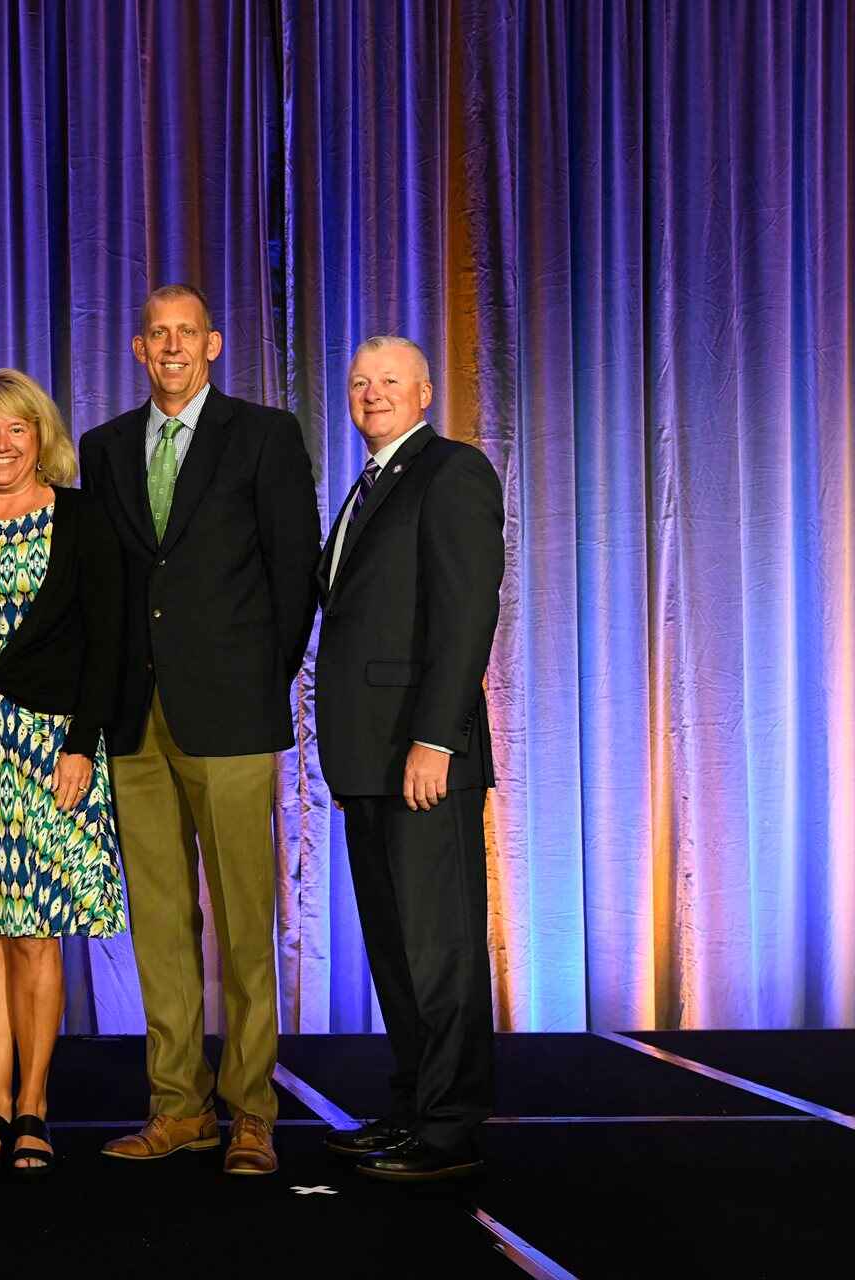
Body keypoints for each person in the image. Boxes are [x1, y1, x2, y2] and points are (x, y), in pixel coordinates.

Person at [78, 285, 320, 1174]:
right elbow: (107, 586)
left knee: (246, 921)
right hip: (135, 722)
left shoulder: (263, 436)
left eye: (188, 334)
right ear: (139, 350)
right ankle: (177, 1106)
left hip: (232, 718)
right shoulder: (104, 449)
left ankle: (251, 1111)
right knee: (160, 923)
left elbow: (295, 575)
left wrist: (263, 683)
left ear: (213, 345)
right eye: (158, 336)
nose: (173, 347)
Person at [0, 369, 128, 1178]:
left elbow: (107, 640)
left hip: (53, 753)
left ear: (42, 437)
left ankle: (37, 1107)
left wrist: (82, 743)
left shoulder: (79, 519)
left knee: (37, 938)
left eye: (17, 428)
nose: (2, 444)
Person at [313, 336, 504, 1182]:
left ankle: (450, 1125)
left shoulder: (452, 472)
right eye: (360, 382)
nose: (372, 393)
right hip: (369, 762)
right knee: (395, 949)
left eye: (389, 380)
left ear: (426, 392)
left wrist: (436, 738)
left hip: (425, 757)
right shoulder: (366, 485)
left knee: (441, 948)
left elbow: (466, 618)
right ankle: (411, 1107)